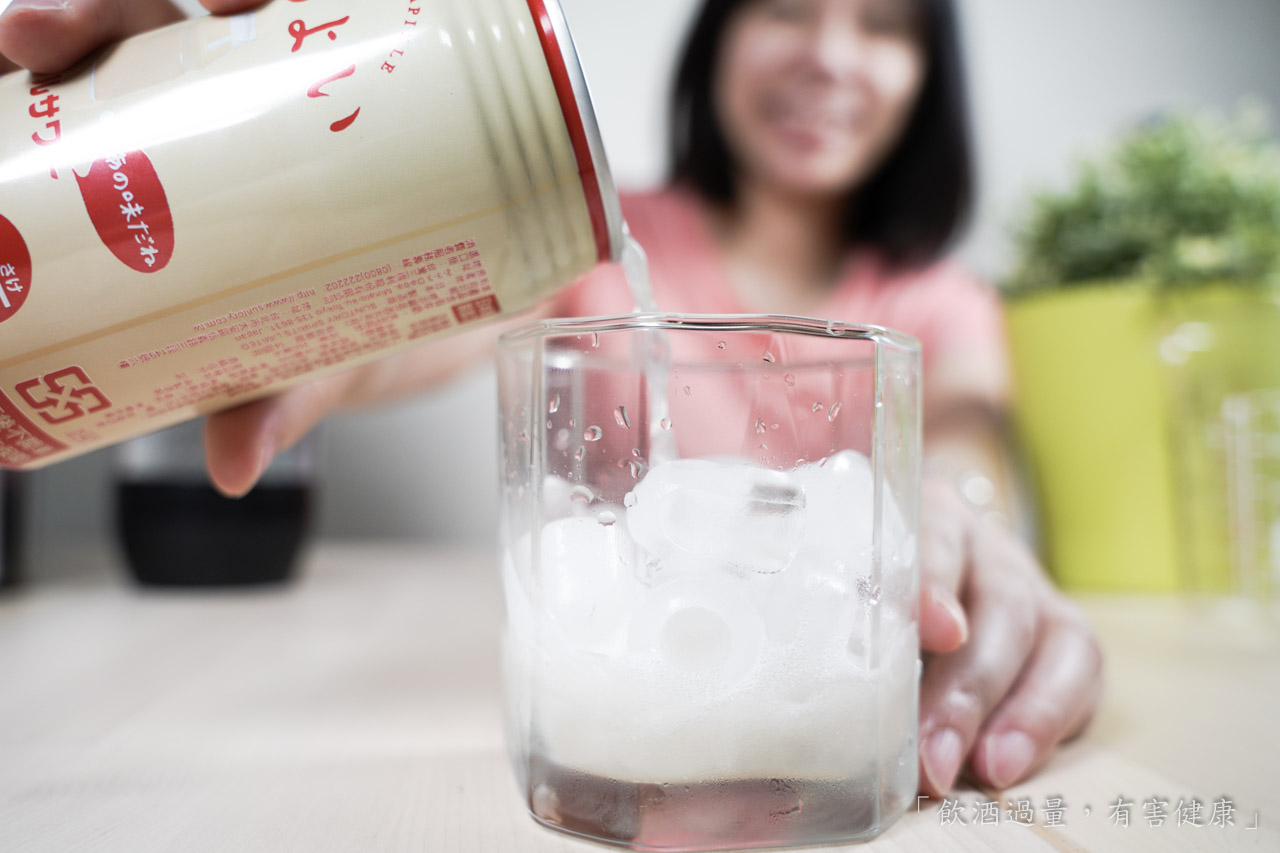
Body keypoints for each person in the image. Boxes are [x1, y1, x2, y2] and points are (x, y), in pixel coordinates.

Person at [0, 0, 1101, 800]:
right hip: (609, 747)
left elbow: (961, 441)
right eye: (783, 7)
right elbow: (405, 343)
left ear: (925, 77)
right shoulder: (588, 242)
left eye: (882, 25)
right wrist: (282, 306)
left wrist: (958, 521)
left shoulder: (932, 300)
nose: (826, 54)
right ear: (716, 38)